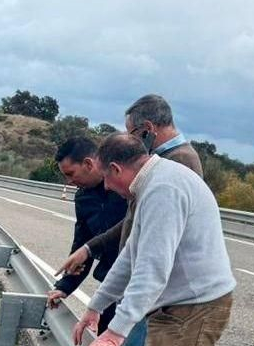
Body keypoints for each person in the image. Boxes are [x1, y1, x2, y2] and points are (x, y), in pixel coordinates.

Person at [76, 132, 235, 346]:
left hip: (194, 308)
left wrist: (116, 331)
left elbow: (152, 269)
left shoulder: (163, 190)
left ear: (116, 169)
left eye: (106, 178)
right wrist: (96, 306)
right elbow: (130, 256)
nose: (106, 187)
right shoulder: (154, 182)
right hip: (180, 304)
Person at [55, 95, 204, 286]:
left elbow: (150, 231)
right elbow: (135, 220)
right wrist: (88, 250)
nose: (131, 141)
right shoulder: (161, 160)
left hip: (165, 287)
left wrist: (90, 249)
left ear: (148, 129)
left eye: (131, 133)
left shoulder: (178, 161)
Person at [46, 137, 146, 346]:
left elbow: (128, 234)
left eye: (71, 173)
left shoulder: (126, 190)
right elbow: (82, 245)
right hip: (111, 287)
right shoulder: (83, 198)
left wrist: (89, 248)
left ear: (89, 164)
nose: (69, 182)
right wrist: (64, 287)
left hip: (138, 286)